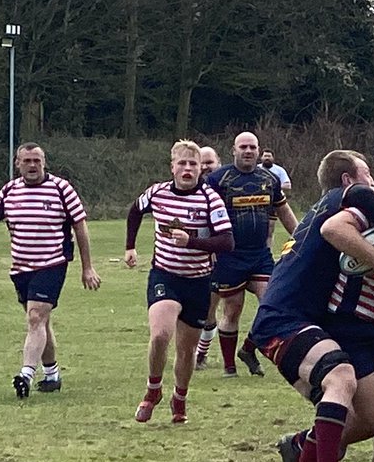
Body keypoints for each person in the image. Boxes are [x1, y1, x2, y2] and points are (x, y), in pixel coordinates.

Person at [250, 149, 374, 462]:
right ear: (347, 181)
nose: (373, 184)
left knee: (366, 417)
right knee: (340, 375)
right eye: (366, 174)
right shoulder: (337, 201)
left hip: (293, 319)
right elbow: (366, 196)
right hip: (283, 320)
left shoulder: (326, 211)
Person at [0, 143, 101, 398]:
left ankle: (26, 373)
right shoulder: (10, 191)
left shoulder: (61, 189)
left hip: (52, 263)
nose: (32, 165)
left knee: (35, 317)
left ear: (44, 162)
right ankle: (52, 375)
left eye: (37, 160)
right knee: (40, 322)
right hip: (21, 268)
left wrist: (87, 267)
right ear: (18, 164)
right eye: (27, 160)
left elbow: (81, 228)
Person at [125, 140, 234, 424]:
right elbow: (135, 210)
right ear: (172, 167)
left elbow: (226, 242)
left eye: (193, 164)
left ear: (201, 169)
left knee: (186, 351)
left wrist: (193, 242)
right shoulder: (157, 193)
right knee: (160, 334)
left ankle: (180, 397)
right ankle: (153, 390)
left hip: (198, 281)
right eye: (182, 163)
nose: (187, 169)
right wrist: (130, 247)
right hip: (165, 275)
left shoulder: (210, 199)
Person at [206, 131, 298, 376]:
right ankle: (229, 367)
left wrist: (301, 238)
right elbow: (205, 218)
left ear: (258, 151)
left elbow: (283, 211)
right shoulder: (218, 179)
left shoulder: (269, 179)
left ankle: (248, 348)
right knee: (232, 309)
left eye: (252, 147)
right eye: (243, 147)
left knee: (273, 303)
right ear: (233, 150)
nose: (248, 151)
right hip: (229, 255)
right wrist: (208, 248)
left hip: (260, 255)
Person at [193, 145, 222, 369]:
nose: (205, 167)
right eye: (200, 162)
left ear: (218, 163)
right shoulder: (187, 189)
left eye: (209, 162)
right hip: (191, 258)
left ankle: (201, 354)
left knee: (211, 308)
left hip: (223, 256)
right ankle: (192, 351)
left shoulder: (227, 188)